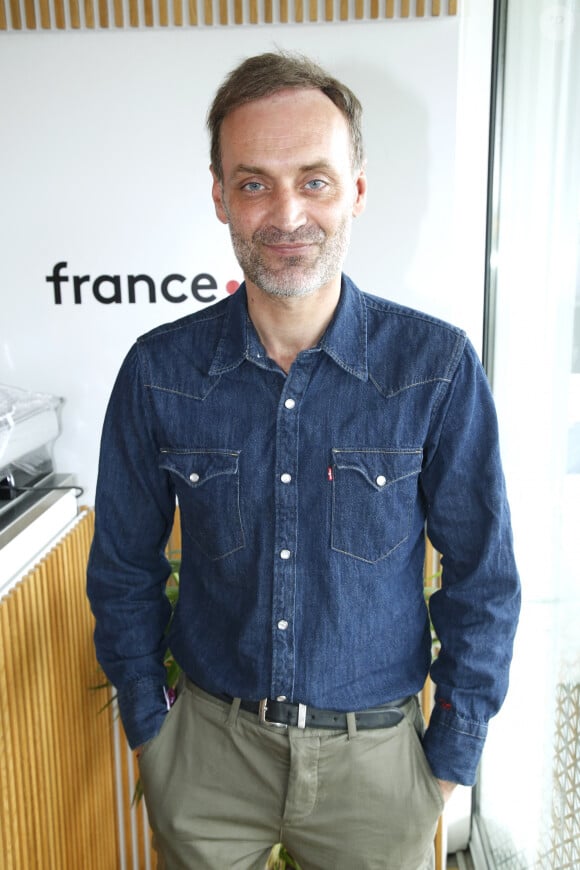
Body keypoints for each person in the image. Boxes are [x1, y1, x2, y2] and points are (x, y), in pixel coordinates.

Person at [87, 51, 520, 870]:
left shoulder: (436, 368)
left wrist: (449, 765)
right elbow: (121, 568)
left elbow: (484, 580)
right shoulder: (159, 371)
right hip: (205, 761)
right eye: (253, 183)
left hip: (378, 770)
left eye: (314, 180)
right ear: (219, 196)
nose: (287, 213)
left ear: (356, 189)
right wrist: (153, 732)